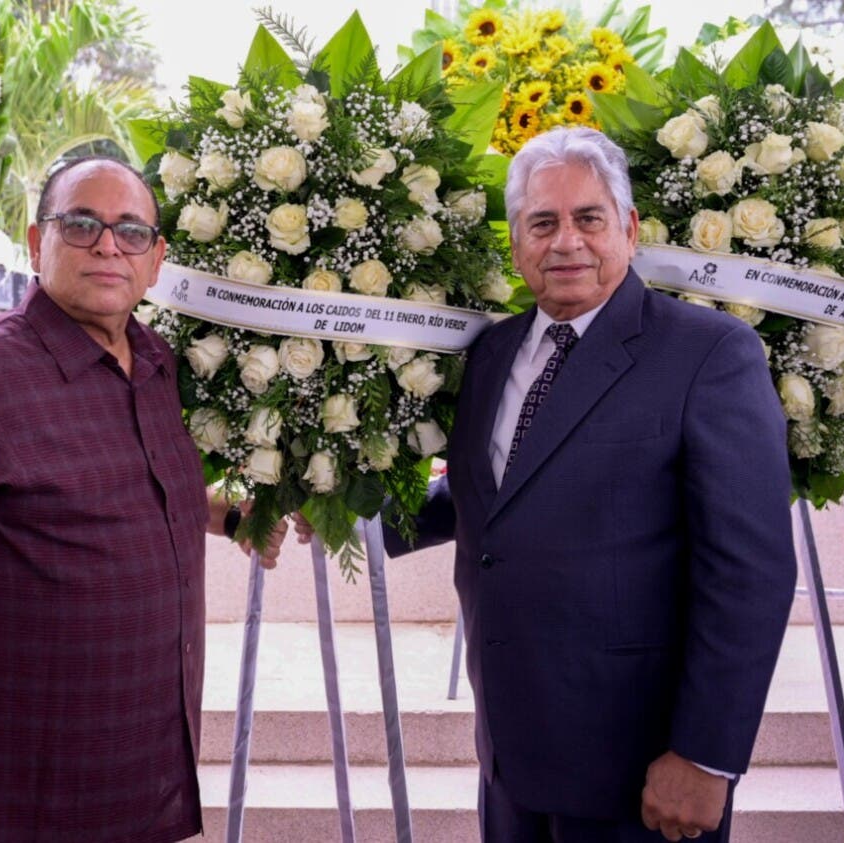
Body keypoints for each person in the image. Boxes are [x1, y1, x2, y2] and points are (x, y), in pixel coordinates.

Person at [299, 127, 796, 842]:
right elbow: (495, 496)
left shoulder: (709, 353)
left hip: (640, 769)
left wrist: (706, 756)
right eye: (542, 223)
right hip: (511, 756)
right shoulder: (492, 352)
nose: (566, 242)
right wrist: (345, 515)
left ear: (628, 229)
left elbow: (750, 571)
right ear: (516, 243)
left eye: (588, 217)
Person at [0, 156, 287, 843]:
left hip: (147, 777)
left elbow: (129, 485)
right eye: (82, 224)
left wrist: (231, 514)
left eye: (131, 232)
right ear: (37, 243)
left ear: (156, 260)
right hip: (28, 800)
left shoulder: (155, 363)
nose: (109, 246)